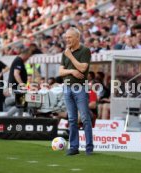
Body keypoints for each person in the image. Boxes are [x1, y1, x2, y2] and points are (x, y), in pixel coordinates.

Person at [59, 27, 93, 156]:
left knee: (85, 118)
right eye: (66, 37)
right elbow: (61, 72)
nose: (67, 40)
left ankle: (89, 148)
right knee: (72, 119)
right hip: (67, 87)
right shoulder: (65, 52)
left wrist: (70, 57)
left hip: (80, 88)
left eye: (70, 37)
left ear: (77, 38)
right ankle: (74, 147)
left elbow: (83, 68)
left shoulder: (85, 50)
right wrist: (72, 71)